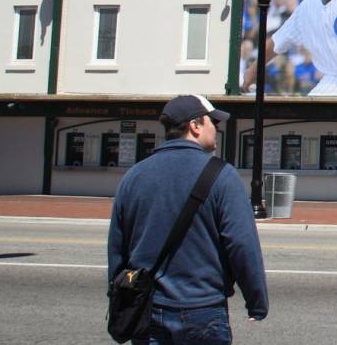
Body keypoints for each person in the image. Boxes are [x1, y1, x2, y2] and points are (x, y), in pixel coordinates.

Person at [108, 95, 267, 342]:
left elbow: (118, 247)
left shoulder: (133, 176)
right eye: (213, 122)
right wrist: (256, 301)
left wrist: (121, 295)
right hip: (202, 308)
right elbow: (242, 244)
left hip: (147, 307)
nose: (217, 128)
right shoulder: (223, 175)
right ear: (195, 125)